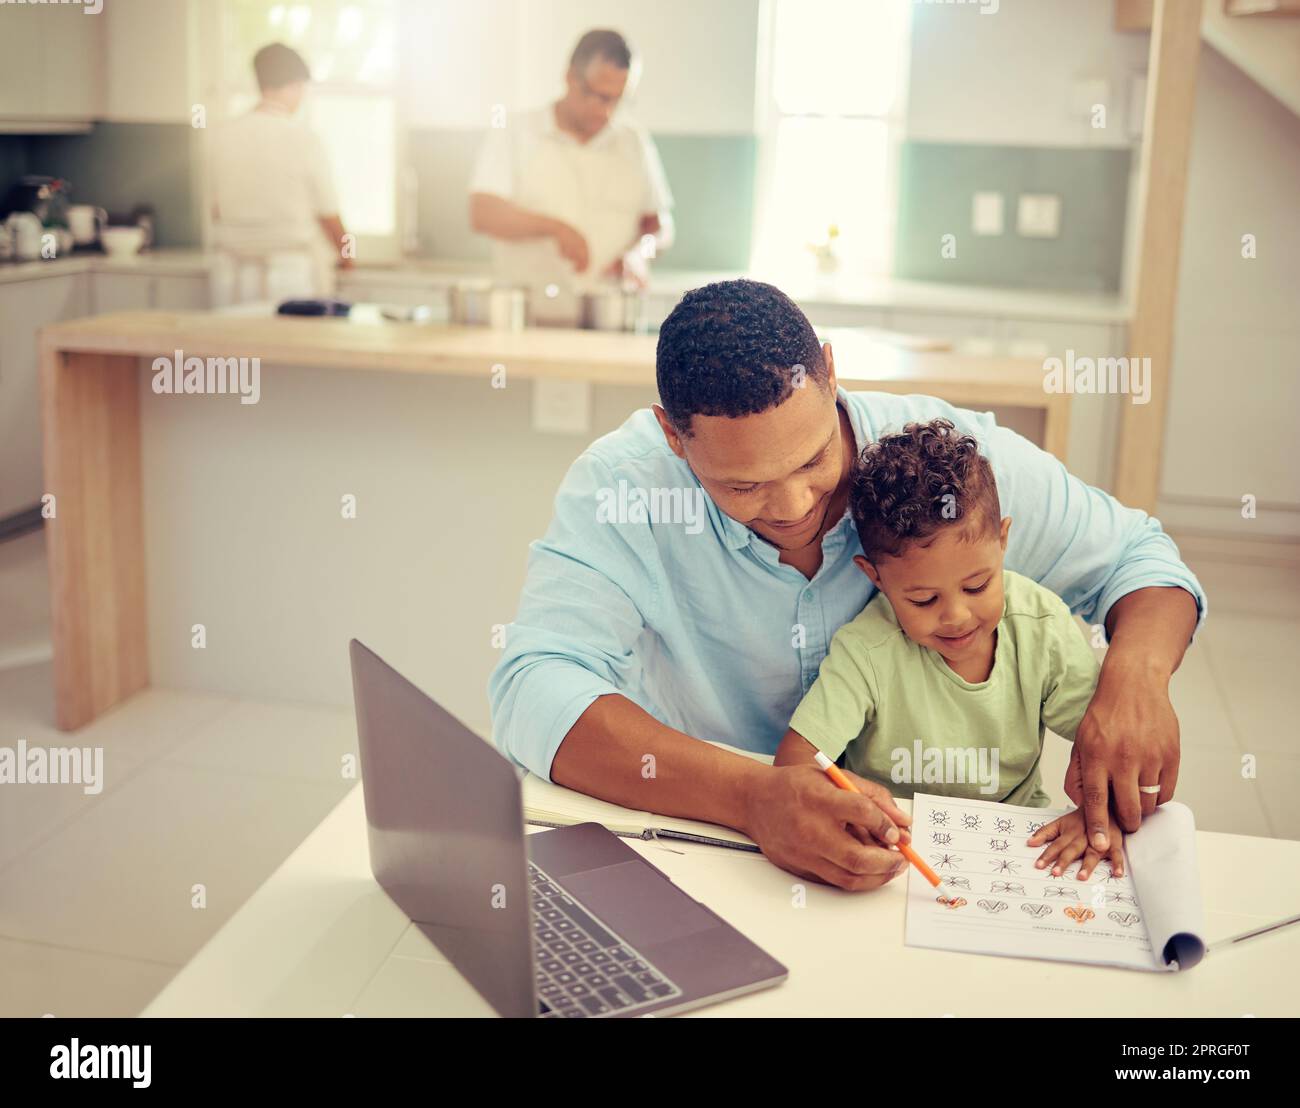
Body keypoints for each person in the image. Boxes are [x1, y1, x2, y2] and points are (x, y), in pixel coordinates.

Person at [487, 279, 1205, 891]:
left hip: (927, 859)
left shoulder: (943, 465)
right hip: (702, 838)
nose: (794, 505)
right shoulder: (625, 486)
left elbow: (1141, 561)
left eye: (812, 459)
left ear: (830, 372)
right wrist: (751, 797)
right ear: (674, 439)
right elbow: (535, 688)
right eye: (744, 486)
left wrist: (1134, 678)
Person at [774, 418, 1122, 882]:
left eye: (977, 585)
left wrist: (1096, 816)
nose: (957, 616)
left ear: (1002, 541)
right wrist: (843, 809)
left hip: (1021, 847)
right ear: (874, 576)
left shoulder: (1041, 627)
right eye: (923, 600)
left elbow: (1107, 746)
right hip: (897, 849)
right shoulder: (867, 649)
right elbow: (795, 765)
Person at [468, 29, 674, 323]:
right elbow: (482, 212)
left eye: (617, 100)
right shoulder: (514, 132)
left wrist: (641, 254)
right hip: (530, 321)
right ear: (570, 77)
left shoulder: (634, 143)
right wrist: (554, 228)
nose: (606, 112)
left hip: (611, 321)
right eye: (598, 96)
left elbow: (659, 226)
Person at [209, 42, 351, 306]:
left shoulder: (221, 135)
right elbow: (328, 212)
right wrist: (348, 255)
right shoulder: (304, 138)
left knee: (231, 347)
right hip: (288, 274)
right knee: (285, 347)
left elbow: (214, 208)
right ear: (294, 85)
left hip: (229, 274)